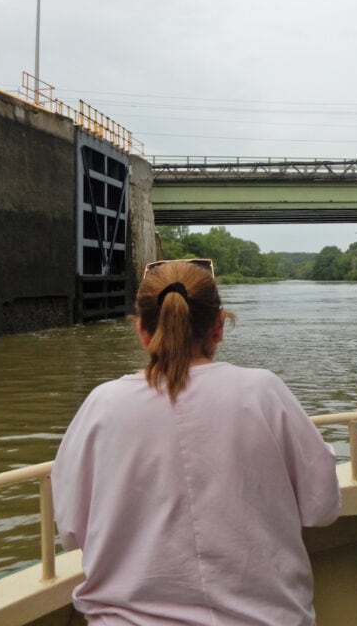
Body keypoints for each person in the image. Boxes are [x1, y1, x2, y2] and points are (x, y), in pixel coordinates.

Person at [52, 258, 341, 625]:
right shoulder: (263, 391)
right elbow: (322, 507)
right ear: (218, 327)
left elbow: (72, 530)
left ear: (142, 331)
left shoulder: (102, 405)